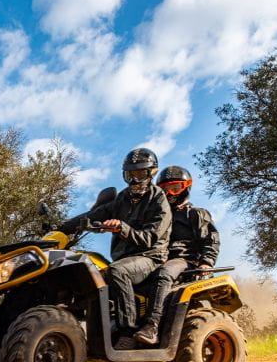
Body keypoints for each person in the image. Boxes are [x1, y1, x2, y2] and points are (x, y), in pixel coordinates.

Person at [58, 148, 172, 340]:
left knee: (117, 271)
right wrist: (63, 228)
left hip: (150, 257)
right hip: (126, 257)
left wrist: (122, 228)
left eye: (140, 174)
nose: (134, 180)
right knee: (87, 272)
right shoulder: (122, 198)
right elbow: (95, 215)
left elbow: (149, 239)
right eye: (130, 175)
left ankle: (126, 332)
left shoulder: (159, 200)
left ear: (151, 172)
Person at [133, 165, 220, 346]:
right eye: (164, 190)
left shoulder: (196, 214)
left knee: (164, 273)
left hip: (185, 260)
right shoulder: (159, 217)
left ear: (186, 187)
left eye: (175, 188)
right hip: (158, 258)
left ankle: (152, 325)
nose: (170, 193)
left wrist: (206, 262)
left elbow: (211, 240)